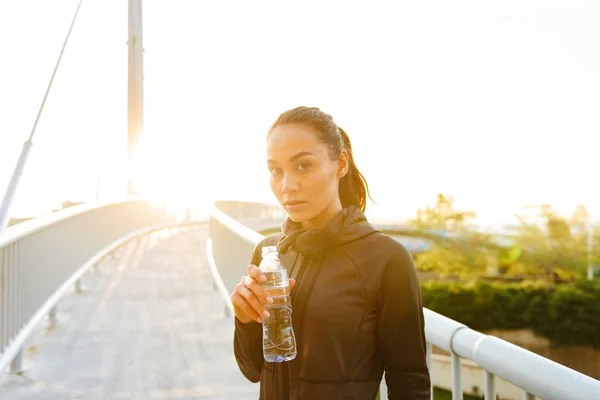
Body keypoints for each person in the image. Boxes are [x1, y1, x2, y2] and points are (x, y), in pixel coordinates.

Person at [230, 106, 430, 399]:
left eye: (303, 166)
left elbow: (410, 383)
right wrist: (244, 318)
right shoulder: (268, 253)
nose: (287, 186)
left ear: (340, 164)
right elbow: (252, 370)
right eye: (276, 170)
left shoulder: (387, 259)